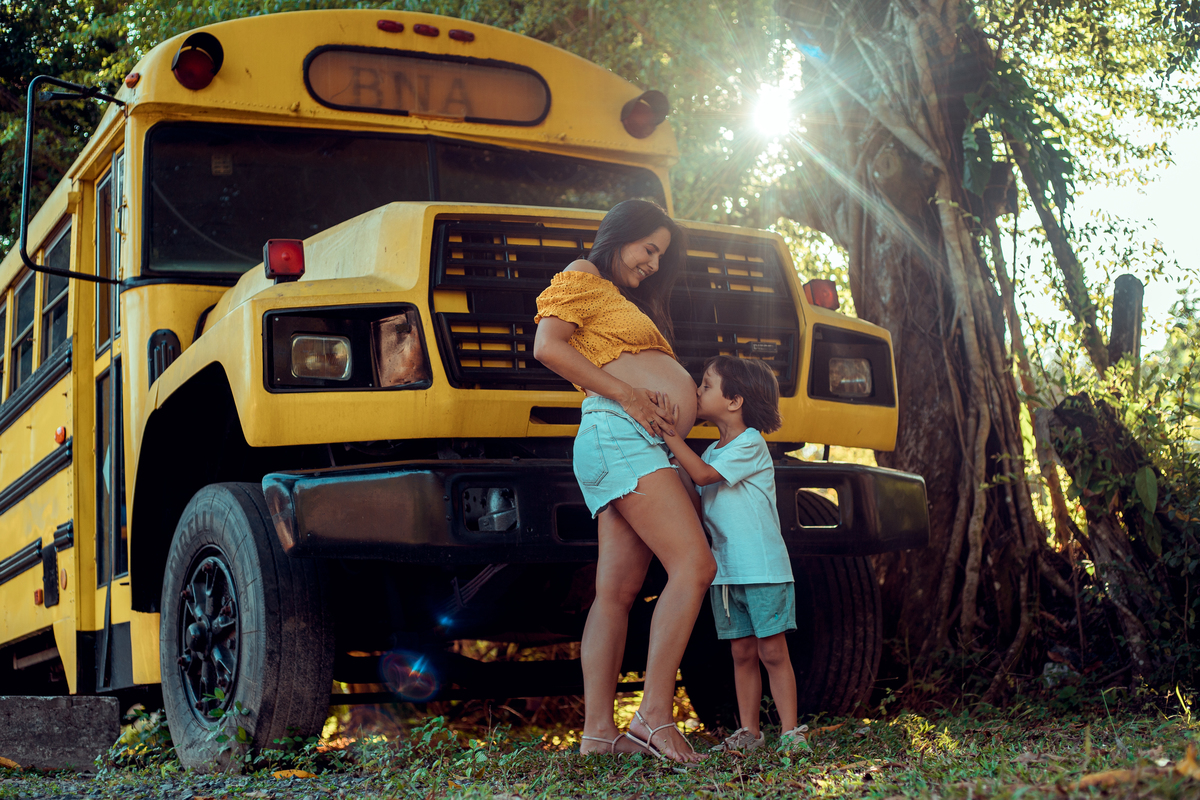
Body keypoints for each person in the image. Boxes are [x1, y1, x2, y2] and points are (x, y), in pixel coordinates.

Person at [533, 200, 716, 763]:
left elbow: (615, 361)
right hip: (620, 434)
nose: (654, 263)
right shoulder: (585, 274)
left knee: (615, 593)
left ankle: (596, 735)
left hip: (630, 439)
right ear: (618, 237)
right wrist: (631, 394)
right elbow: (547, 346)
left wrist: (657, 399)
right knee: (695, 564)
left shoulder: (619, 301)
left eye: (661, 254)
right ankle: (654, 717)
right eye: (649, 248)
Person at [654, 355, 809, 753]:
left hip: (761, 567)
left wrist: (670, 435)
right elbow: (697, 491)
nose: (697, 391)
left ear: (734, 400)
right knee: (741, 652)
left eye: (706, 385)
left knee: (772, 651)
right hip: (726, 572)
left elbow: (705, 477)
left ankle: (791, 732)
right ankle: (750, 733)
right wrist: (671, 461)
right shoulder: (709, 451)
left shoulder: (750, 443)